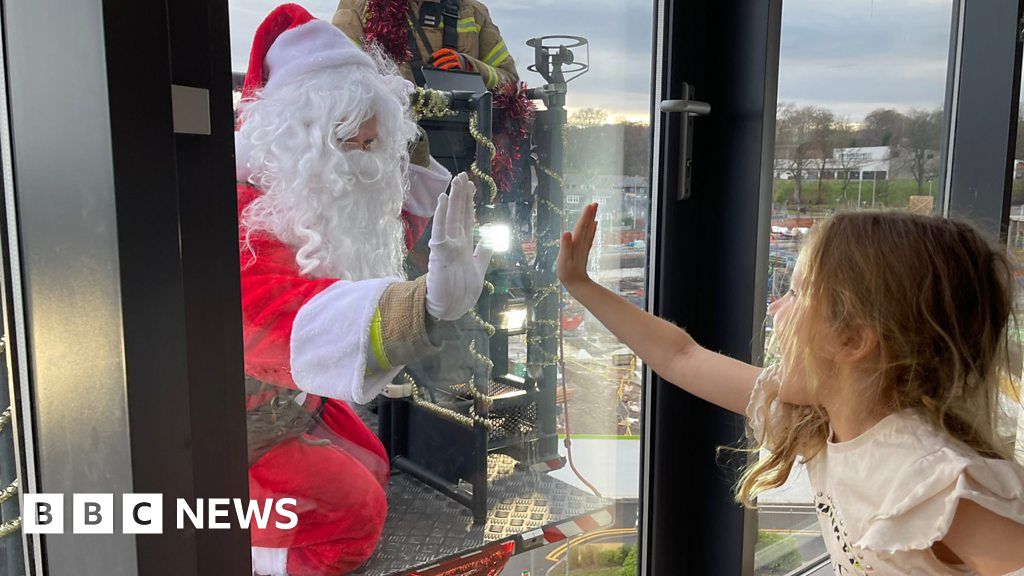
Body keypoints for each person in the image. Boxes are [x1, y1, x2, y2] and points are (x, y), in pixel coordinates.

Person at [558, 205, 1024, 575]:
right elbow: (682, 358)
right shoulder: (818, 424)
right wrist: (581, 285)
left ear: (852, 341)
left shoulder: (927, 481)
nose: (776, 306)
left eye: (797, 292)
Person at [235, 5, 493, 575]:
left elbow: (371, 224)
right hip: (230, 430)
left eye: (378, 145)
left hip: (292, 410)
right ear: (303, 142)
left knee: (374, 464)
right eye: (357, 145)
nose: (370, 165)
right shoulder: (245, 221)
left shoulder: (311, 190)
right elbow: (280, 323)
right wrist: (420, 308)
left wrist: (417, 180)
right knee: (353, 515)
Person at [331, 0, 518, 90]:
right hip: (389, 142)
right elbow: (337, 74)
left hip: (462, 144)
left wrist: (470, 67)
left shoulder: (475, 12)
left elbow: (510, 80)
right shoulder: (360, 5)